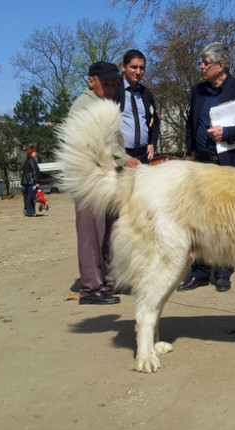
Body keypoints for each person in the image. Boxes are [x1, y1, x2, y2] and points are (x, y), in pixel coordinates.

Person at [179, 41, 235, 293]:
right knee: (202, 218)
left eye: (205, 63)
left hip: (232, 165)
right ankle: (200, 271)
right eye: (202, 63)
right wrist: (191, 149)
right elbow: (190, 123)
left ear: (220, 65)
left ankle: (224, 272)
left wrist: (227, 132)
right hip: (203, 164)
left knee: (229, 220)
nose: (201, 67)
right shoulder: (198, 91)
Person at [69, 61, 141, 305]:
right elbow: (99, 146)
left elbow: (114, 144)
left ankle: (108, 281)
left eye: (113, 85)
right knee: (91, 235)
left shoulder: (102, 104)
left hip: (105, 179)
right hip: (90, 182)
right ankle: (91, 288)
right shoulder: (84, 107)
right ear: (91, 81)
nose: (110, 89)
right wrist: (126, 159)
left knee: (109, 232)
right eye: (106, 84)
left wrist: (124, 160)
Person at [113, 49, 160, 164]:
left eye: (142, 68)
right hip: (121, 155)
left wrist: (152, 143)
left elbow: (155, 121)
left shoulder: (146, 93)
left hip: (143, 155)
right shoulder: (114, 90)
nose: (138, 72)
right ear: (124, 67)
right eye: (134, 67)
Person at [21, 147, 41, 217]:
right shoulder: (32, 161)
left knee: (27, 197)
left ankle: (28, 211)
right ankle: (31, 212)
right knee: (31, 197)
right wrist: (37, 182)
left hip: (26, 182)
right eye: (34, 152)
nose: (35, 153)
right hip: (31, 182)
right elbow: (34, 172)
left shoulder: (26, 161)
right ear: (31, 153)